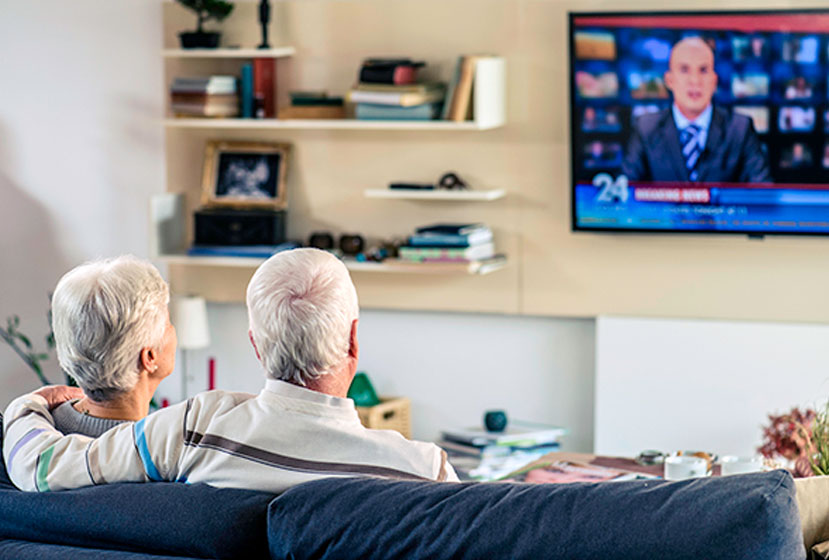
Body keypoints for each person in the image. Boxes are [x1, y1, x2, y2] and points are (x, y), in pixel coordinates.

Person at [3, 248, 457, 493]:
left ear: (255, 345)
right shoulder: (423, 471)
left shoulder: (194, 430)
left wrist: (27, 407)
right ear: (353, 340)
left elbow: (46, 469)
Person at [48, 256, 176, 437]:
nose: (173, 330)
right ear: (149, 357)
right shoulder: (160, 456)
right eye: (169, 323)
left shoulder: (35, 426)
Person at [622, 36, 771, 183]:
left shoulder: (740, 129)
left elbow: (762, 193)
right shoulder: (646, 128)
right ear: (669, 80)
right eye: (684, 70)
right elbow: (624, 193)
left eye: (703, 70)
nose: (695, 81)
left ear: (714, 81)